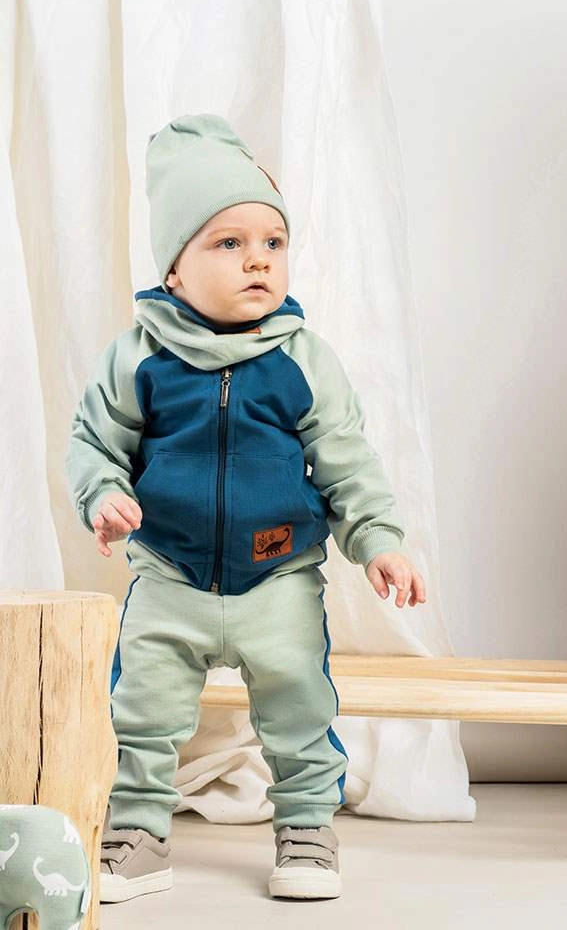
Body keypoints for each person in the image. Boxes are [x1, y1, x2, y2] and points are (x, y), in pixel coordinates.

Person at [65, 114, 426, 903]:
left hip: (278, 578)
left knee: (300, 708)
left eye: (272, 241)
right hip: (169, 577)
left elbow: (347, 460)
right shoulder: (138, 358)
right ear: (174, 268)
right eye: (228, 243)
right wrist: (105, 495)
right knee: (141, 713)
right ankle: (138, 833)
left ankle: (307, 828)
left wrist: (379, 542)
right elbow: (94, 443)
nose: (258, 259)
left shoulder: (302, 359)